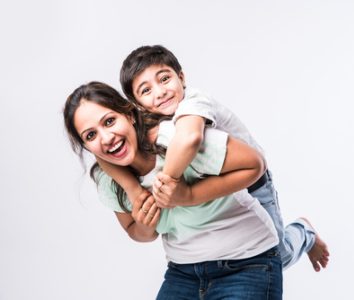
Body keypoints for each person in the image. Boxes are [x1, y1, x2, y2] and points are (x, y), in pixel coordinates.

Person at [109, 44, 329, 271]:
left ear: (181, 77)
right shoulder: (148, 121)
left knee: (278, 254)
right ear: (137, 105)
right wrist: (132, 189)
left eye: (164, 79)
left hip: (253, 182)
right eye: (146, 90)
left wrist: (167, 183)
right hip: (219, 189)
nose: (160, 92)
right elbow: (103, 157)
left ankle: (304, 232)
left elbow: (189, 138)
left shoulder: (194, 101)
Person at [64, 81, 283, 299]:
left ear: (129, 114)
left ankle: (303, 234)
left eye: (110, 121)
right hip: (183, 271)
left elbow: (255, 164)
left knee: (287, 251)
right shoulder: (110, 180)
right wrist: (144, 223)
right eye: (90, 135)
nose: (106, 138)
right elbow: (135, 231)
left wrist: (188, 195)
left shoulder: (175, 139)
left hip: (247, 262)